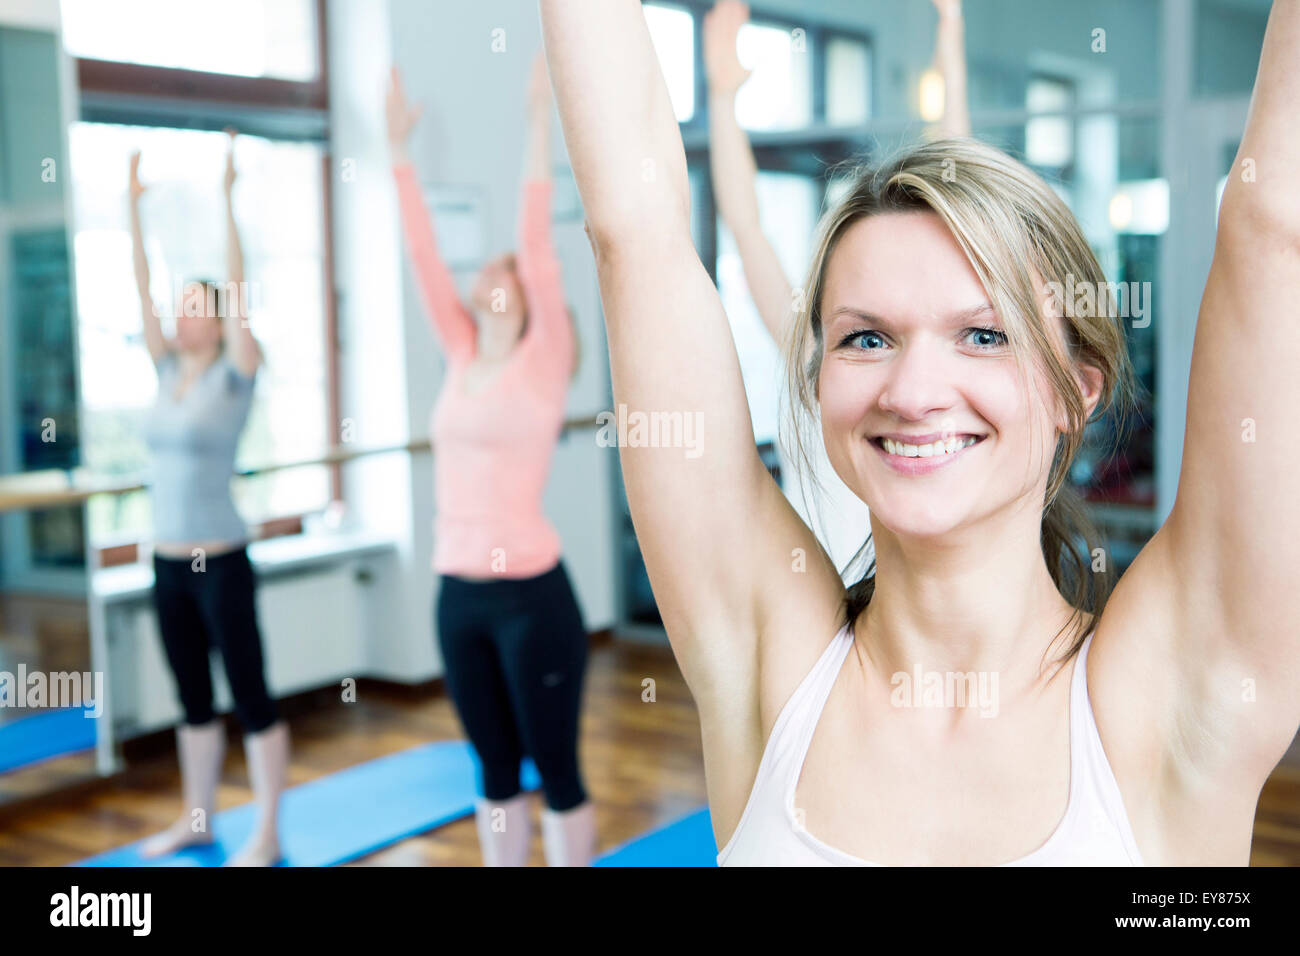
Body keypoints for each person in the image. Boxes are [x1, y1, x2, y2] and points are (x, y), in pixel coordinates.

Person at [539, 0, 1300, 865]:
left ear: (1075, 393)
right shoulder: (770, 666)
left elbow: (1278, 229)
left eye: (984, 335)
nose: (914, 390)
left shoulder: (1173, 696)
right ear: (819, 375)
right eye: (867, 338)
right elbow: (633, 235)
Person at [387, 56, 593, 866]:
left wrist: (539, 119)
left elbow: (538, 242)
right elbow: (422, 258)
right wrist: (399, 153)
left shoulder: (544, 357)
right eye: (490, 266)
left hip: (532, 599)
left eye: (506, 267)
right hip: (457, 596)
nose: (492, 272)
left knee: (560, 770)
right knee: (494, 768)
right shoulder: (460, 349)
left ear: (527, 289)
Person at [700, 0, 972, 579]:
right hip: (825, 607)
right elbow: (745, 223)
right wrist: (722, 97)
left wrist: (950, 33)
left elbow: (957, 183)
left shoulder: (924, 366)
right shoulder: (810, 353)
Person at [132, 130, 289, 867]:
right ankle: (198, 819)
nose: (184, 314)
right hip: (165, 561)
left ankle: (267, 831)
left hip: (221, 560)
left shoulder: (235, 374)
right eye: (181, 304)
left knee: (250, 694)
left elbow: (238, 280)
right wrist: (132, 216)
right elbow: (142, 290)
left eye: (200, 305)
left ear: (221, 317)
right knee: (192, 699)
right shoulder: (166, 373)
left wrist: (228, 200)